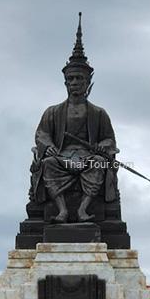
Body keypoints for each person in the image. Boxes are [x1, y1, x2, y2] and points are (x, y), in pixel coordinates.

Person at [30, 14, 119, 223]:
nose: (75, 82)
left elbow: (109, 139)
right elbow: (41, 135)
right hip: (62, 157)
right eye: (71, 79)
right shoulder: (53, 112)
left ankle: (83, 210)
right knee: (49, 163)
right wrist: (49, 146)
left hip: (87, 157)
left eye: (79, 78)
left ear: (87, 82)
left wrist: (101, 147)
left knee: (98, 163)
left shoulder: (98, 113)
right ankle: (62, 211)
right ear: (65, 82)